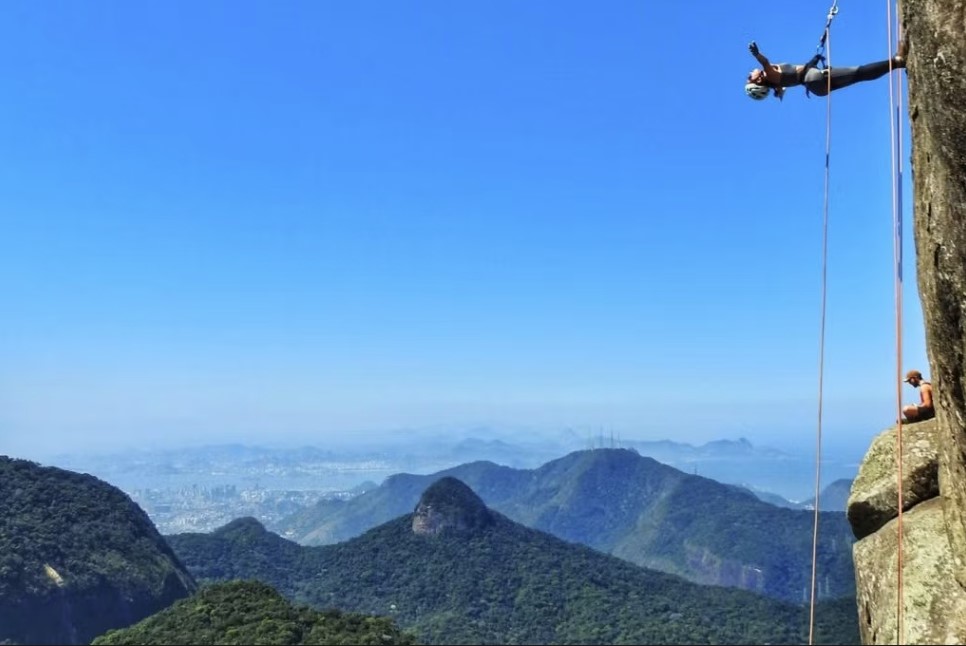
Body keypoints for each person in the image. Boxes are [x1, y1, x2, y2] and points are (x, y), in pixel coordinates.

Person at [744, 39, 907, 100]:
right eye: (750, 77)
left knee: (858, 75)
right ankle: (897, 61)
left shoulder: (774, 83)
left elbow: (783, 86)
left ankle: (896, 62)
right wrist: (757, 54)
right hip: (813, 78)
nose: (749, 74)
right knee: (858, 72)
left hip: (816, 85)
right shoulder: (770, 76)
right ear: (758, 80)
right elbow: (765, 62)